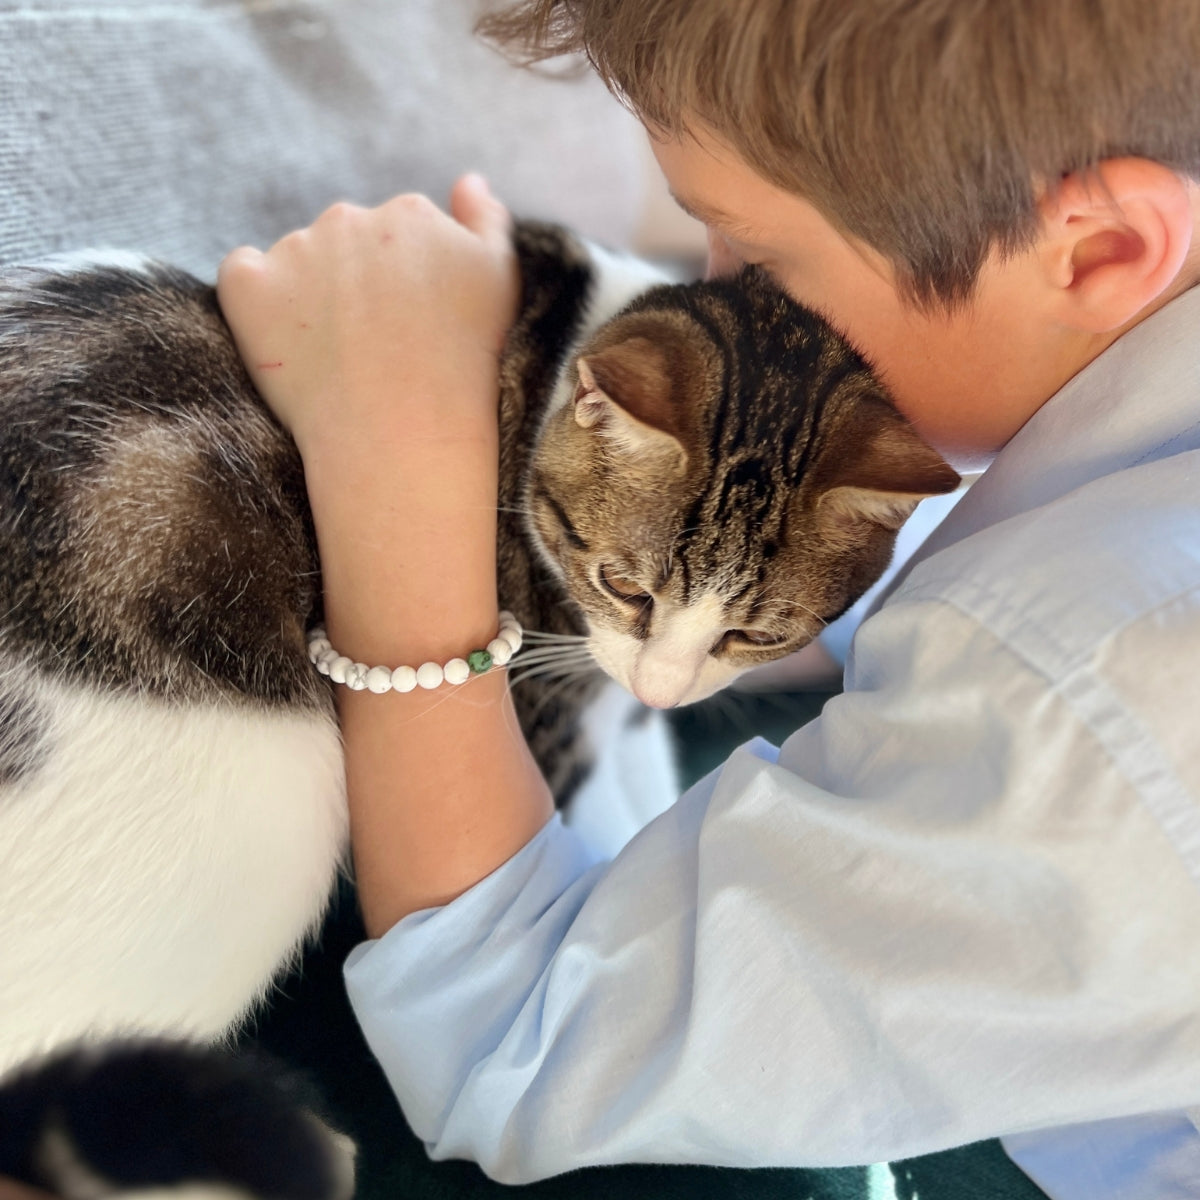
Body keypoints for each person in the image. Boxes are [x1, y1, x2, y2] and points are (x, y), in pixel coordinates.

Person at [214, 1, 1200, 1197]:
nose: (717, 296)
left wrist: (400, 464)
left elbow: (521, 1041)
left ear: (1100, 250)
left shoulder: (1082, 699)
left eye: (763, 258)